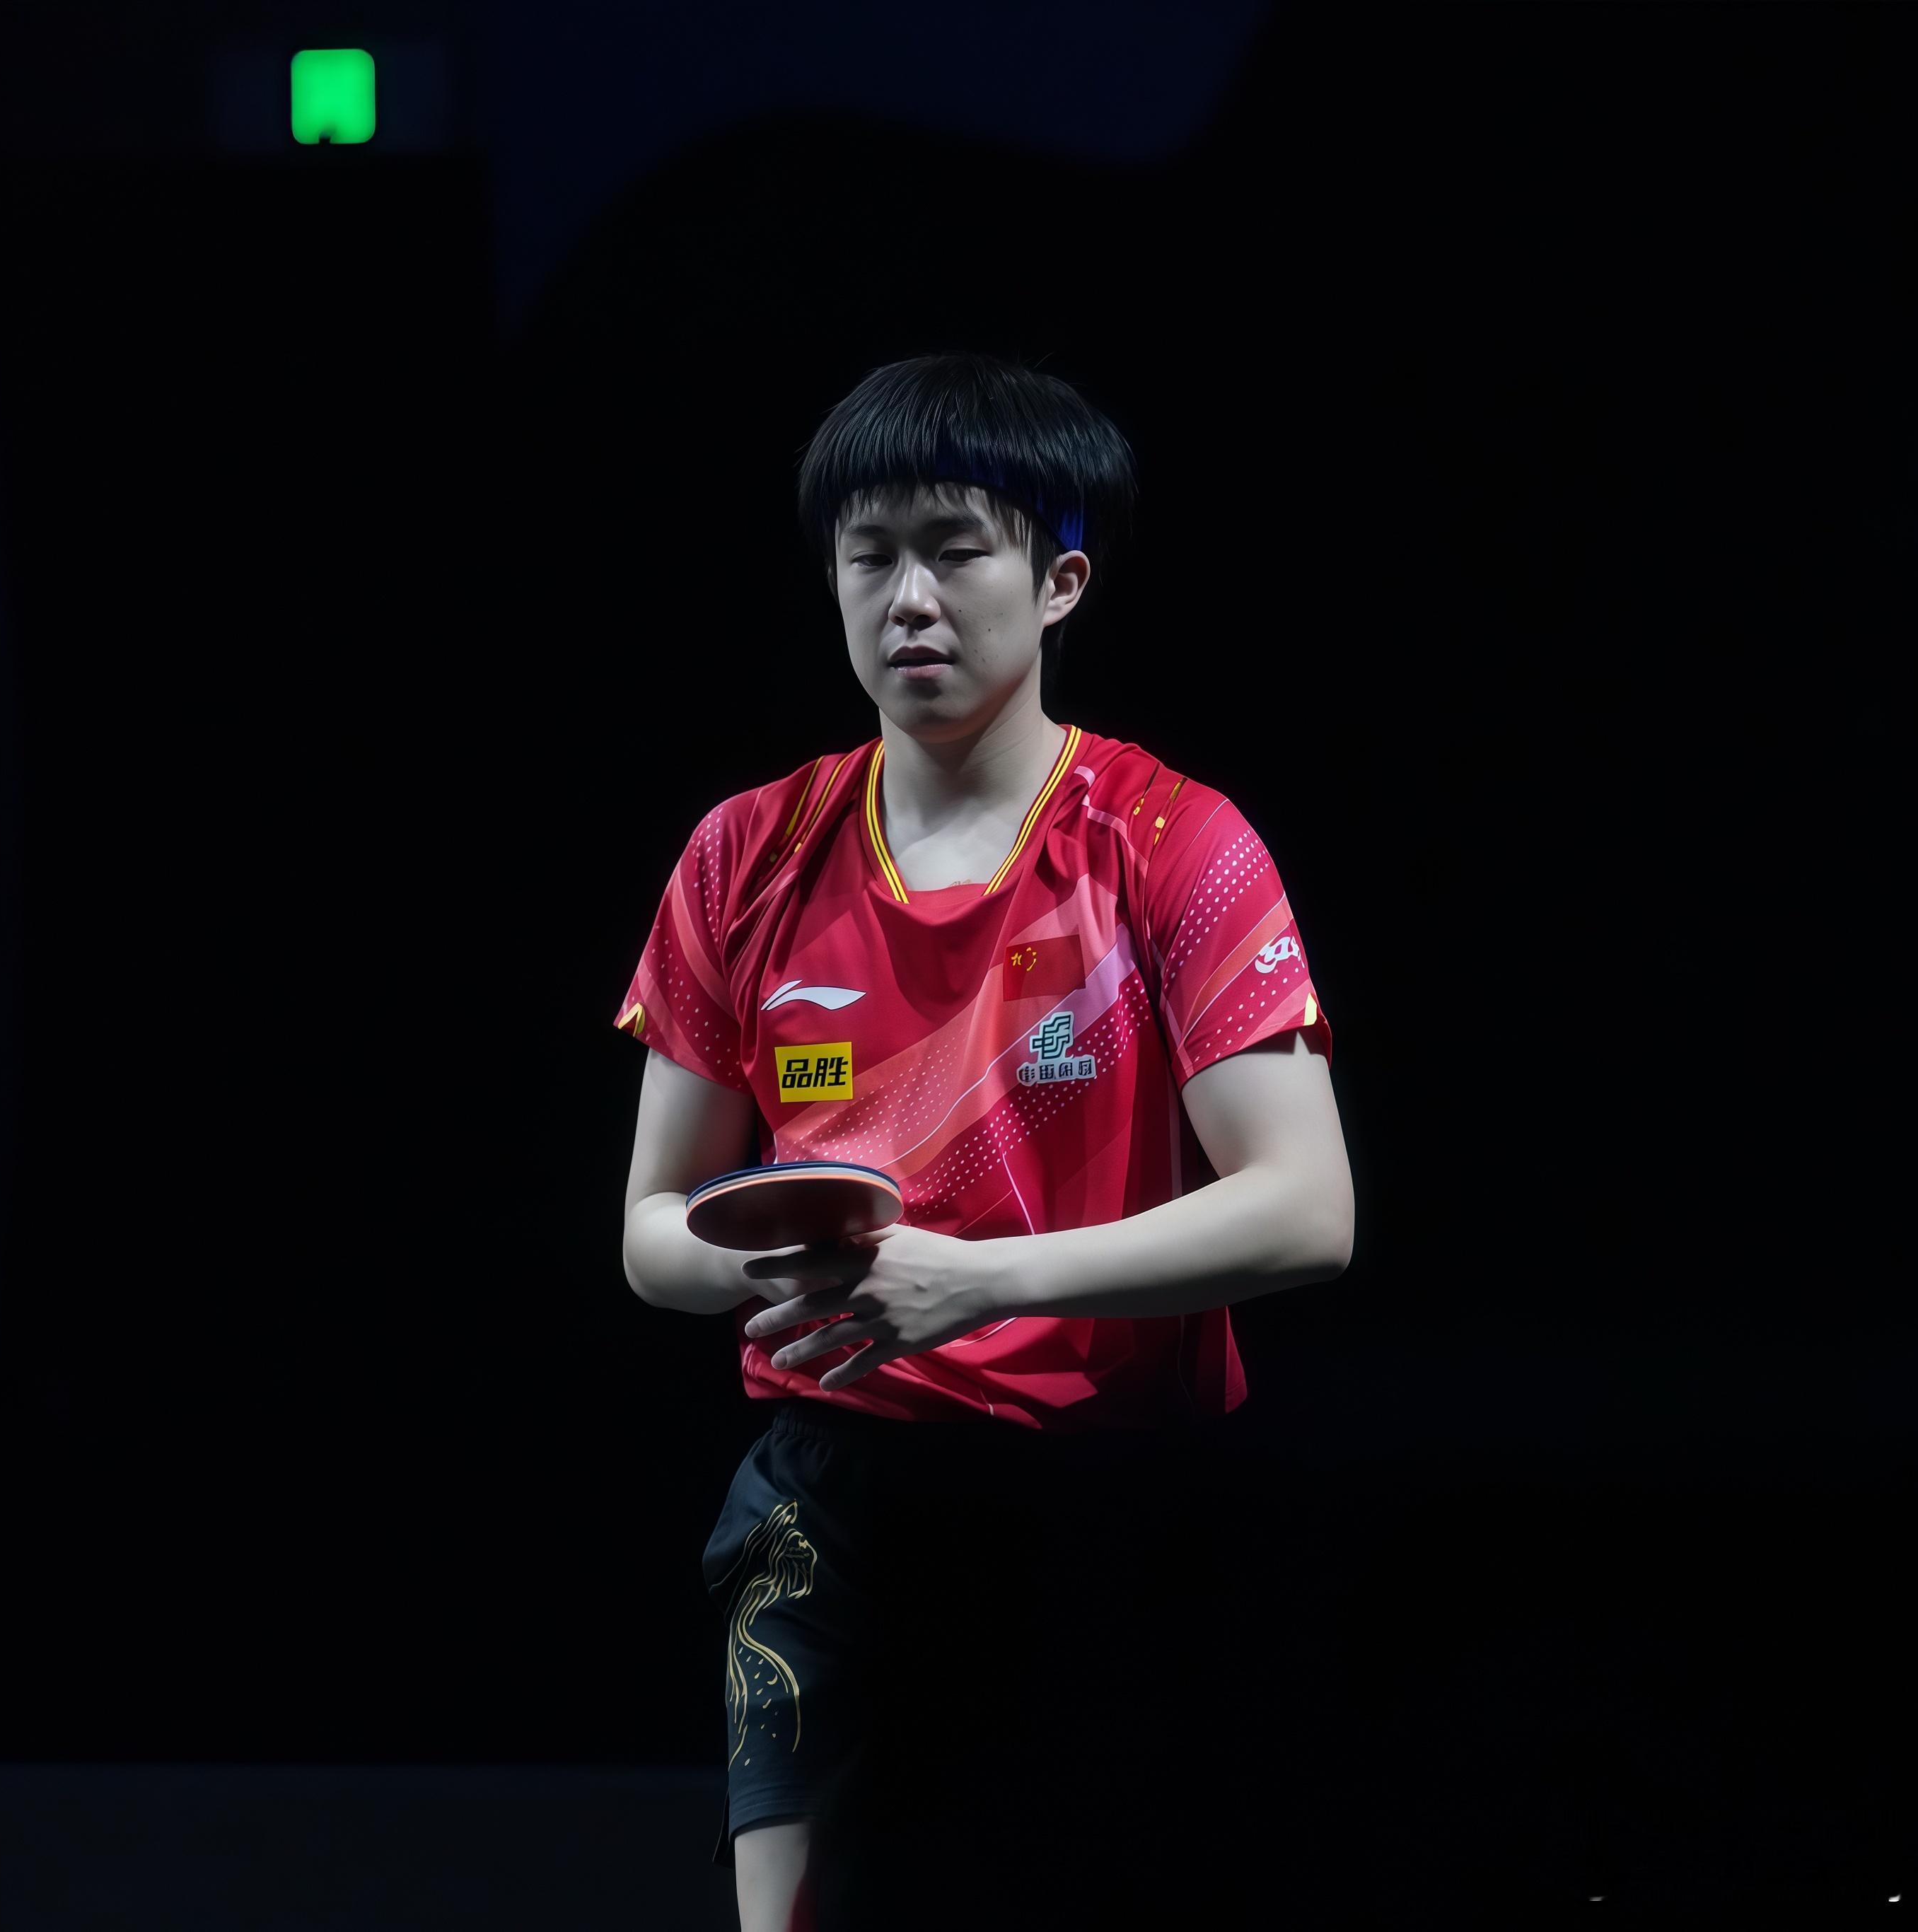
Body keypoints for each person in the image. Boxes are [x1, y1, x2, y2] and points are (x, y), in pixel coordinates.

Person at [615, 351, 1357, 1926]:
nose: (909, 599)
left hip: (1112, 1496)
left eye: (955, 550)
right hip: (831, 1497)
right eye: (869, 556)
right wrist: (785, 1270)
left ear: (1059, 581)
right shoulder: (744, 855)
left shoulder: (1169, 843)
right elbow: (650, 1230)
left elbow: (1306, 1208)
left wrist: (973, 1282)